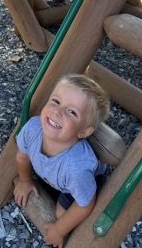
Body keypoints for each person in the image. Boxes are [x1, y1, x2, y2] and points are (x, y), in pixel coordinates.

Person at [14, 73, 110, 248]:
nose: (57, 111)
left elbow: (85, 205)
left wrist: (59, 230)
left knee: (61, 215)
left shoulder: (77, 169)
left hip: (81, 184)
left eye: (72, 112)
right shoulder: (32, 129)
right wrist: (25, 180)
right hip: (58, 176)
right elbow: (22, 156)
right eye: (56, 101)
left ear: (83, 132)